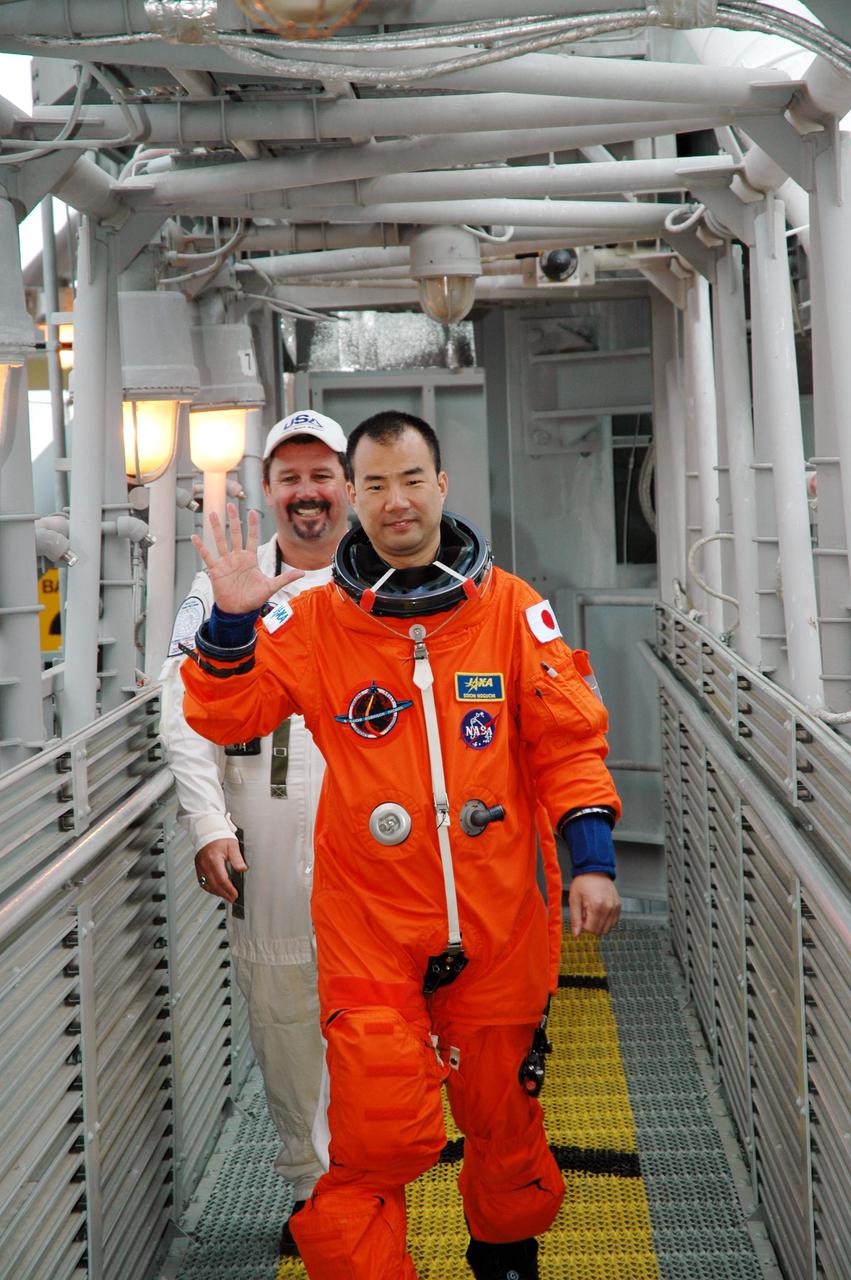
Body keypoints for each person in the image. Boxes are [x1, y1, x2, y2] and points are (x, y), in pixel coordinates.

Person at [179, 410, 621, 1280]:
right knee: (376, 1131)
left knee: (501, 1120)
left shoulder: (510, 609)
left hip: (496, 923)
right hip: (372, 929)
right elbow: (227, 713)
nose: (394, 501)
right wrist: (230, 625)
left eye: (410, 479)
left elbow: (565, 741)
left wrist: (593, 860)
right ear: (354, 496)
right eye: (375, 484)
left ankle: (505, 1259)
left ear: (441, 486)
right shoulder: (314, 622)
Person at [159, 409, 349, 1256]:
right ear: (268, 489)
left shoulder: (385, 574)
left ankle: (374, 1183)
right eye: (289, 477)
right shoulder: (226, 579)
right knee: (281, 1010)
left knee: (384, 1012)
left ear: (348, 483)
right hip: (264, 829)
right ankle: (316, 1198)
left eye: (322, 474)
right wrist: (206, 822)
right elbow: (181, 706)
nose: (306, 493)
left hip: (374, 831)